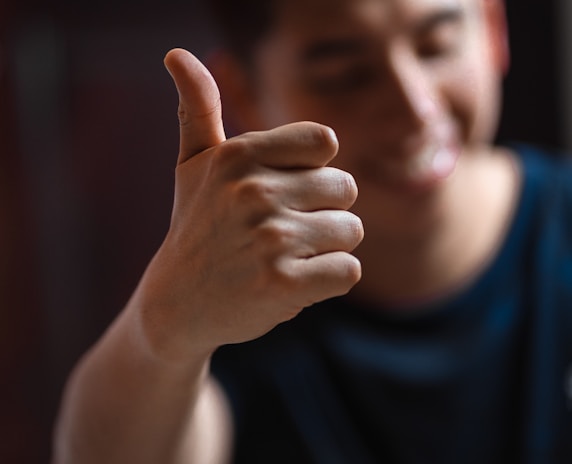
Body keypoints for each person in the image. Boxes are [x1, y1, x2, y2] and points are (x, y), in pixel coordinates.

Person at [53, 0, 572, 462]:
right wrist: (164, 332)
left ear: (492, 27)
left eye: (436, 45)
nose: (415, 108)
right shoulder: (231, 292)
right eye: (347, 74)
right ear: (245, 91)